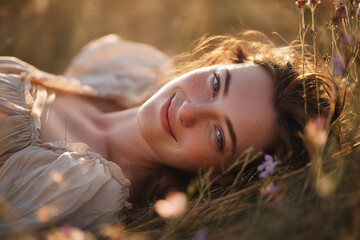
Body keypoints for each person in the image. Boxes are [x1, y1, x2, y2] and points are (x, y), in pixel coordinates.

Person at [0, 32, 341, 234]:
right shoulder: (133, 70)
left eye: (219, 136)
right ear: (216, 63)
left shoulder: (82, 189)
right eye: (216, 83)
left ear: (219, 178)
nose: (188, 112)